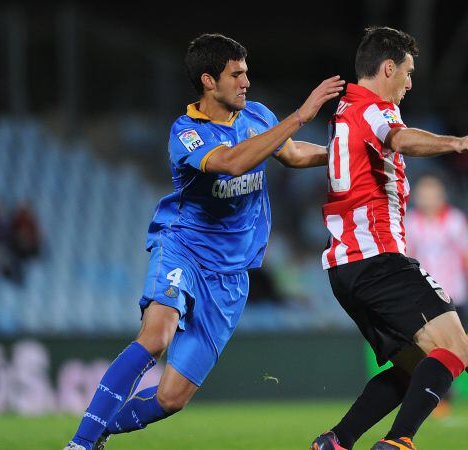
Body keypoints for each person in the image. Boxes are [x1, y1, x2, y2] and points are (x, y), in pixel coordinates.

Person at [64, 33, 343, 450]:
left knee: (172, 398)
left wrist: (346, 151)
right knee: (156, 337)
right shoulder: (187, 132)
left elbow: (293, 154)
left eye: (247, 73)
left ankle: (100, 430)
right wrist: (301, 115)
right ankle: (80, 444)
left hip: (231, 275)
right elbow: (231, 163)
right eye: (237, 74)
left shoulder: (259, 115)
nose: (246, 82)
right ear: (209, 81)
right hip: (183, 250)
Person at [310, 26, 468, 450]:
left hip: (344, 268)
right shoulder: (376, 109)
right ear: (388, 68)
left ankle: (335, 441)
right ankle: (398, 443)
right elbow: (401, 137)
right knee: (459, 349)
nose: (410, 83)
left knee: (416, 366)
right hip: (378, 258)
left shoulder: (343, 113)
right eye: (408, 72)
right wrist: (456, 142)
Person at [406, 174, 468, 417]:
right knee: (429, 349)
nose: (427, 198)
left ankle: (442, 395)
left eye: (432, 192)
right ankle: (437, 396)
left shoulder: (456, 221)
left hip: (453, 296)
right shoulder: (410, 222)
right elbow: (405, 260)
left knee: (453, 349)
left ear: (441, 196)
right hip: (424, 296)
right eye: (423, 193)